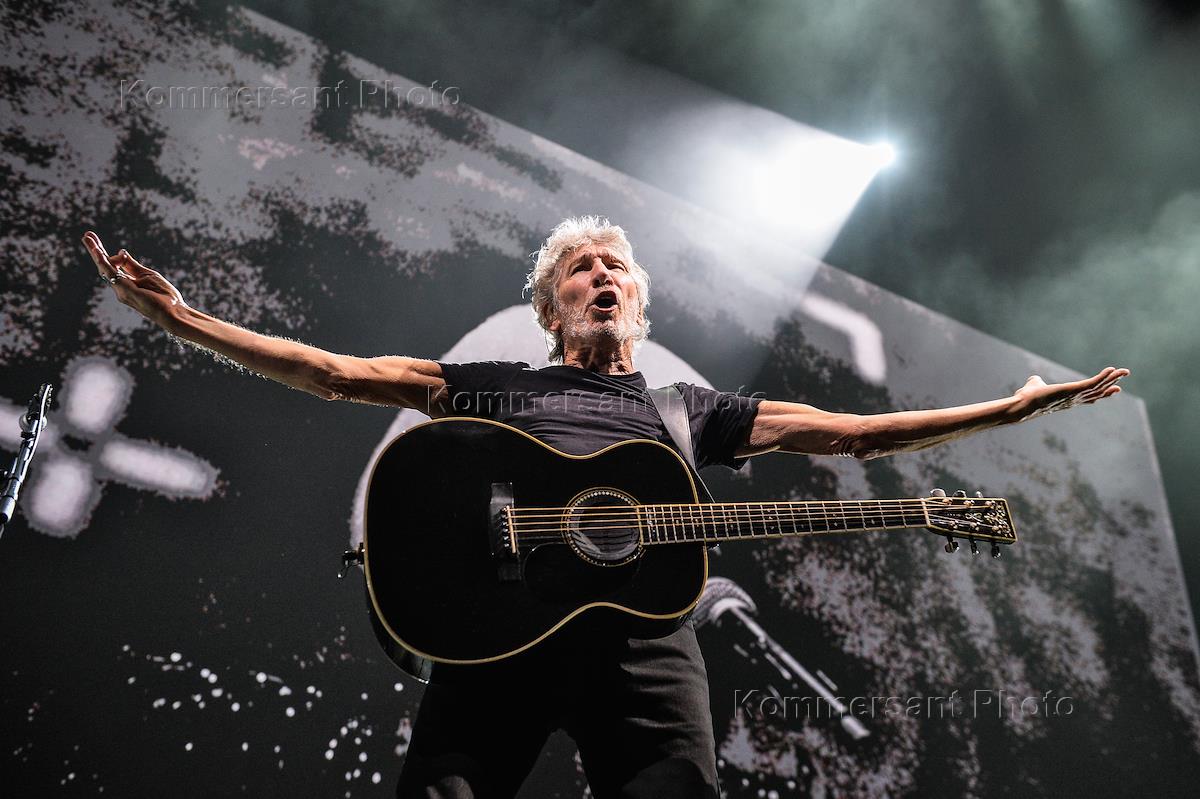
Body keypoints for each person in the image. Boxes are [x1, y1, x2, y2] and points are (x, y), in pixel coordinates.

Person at [82, 219, 1127, 798]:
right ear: (551, 307)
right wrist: (188, 321)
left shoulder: (688, 411)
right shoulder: (496, 386)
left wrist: (1011, 409)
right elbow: (335, 373)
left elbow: (855, 433)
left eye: (615, 266)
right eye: (581, 268)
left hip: (643, 647)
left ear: (637, 301)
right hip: (495, 636)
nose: (602, 276)